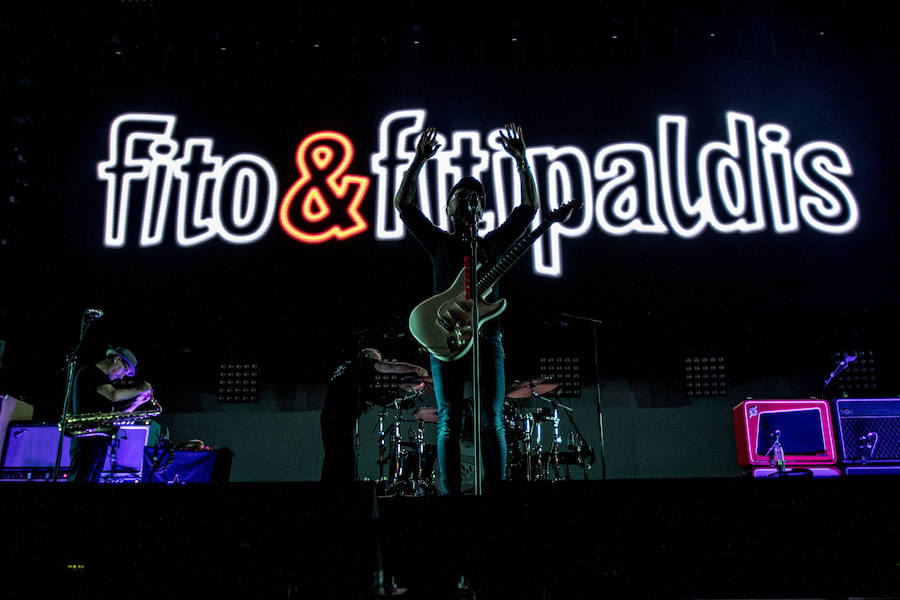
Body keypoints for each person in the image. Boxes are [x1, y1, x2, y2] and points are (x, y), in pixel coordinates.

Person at [394, 123, 540, 495]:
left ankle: (496, 491)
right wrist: (418, 161)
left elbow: (529, 209)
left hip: (488, 336)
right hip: (445, 337)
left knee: (490, 419)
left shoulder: (491, 245)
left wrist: (522, 161)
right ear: (449, 206)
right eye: (463, 194)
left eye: (477, 196)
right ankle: (451, 495)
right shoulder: (440, 243)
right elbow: (404, 205)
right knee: (448, 420)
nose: (471, 199)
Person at [320, 347, 428, 482]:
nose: (380, 362)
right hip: (339, 420)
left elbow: (360, 392)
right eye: (378, 359)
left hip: (330, 417)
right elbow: (389, 367)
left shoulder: (348, 369)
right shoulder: (363, 363)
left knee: (334, 457)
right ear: (370, 357)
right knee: (343, 459)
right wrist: (416, 369)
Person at [68, 346, 153, 483]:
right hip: (86, 439)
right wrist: (138, 389)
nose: (123, 375)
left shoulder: (104, 383)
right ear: (117, 360)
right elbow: (114, 395)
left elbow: (116, 415)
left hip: (100, 441)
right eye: (125, 370)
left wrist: (138, 401)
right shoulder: (90, 372)